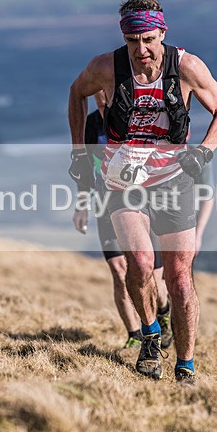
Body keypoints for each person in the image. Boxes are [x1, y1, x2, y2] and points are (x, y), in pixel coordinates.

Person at [67, 0, 217, 383]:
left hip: (174, 181)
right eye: (132, 41)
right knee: (139, 263)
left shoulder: (188, 67)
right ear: (123, 37)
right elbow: (76, 94)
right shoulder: (105, 67)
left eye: (148, 39)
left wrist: (204, 152)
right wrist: (79, 151)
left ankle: (186, 365)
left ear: (162, 32)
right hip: (122, 181)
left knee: (178, 279)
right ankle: (148, 334)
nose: (141, 49)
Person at [73, 91, 173, 350]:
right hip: (106, 204)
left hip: (142, 205)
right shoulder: (91, 124)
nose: (102, 97)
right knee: (119, 270)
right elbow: (85, 168)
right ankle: (135, 334)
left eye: (107, 91)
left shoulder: (135, 119)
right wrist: (82, 205)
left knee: (152, 275)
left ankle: (162, 309)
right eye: (97, 94)